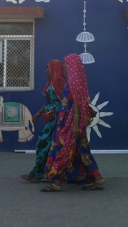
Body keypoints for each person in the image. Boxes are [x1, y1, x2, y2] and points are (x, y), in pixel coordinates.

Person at [43, 54, 105, 192]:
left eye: (66, 63)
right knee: (81, 150)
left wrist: (75, 124)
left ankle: (57, 184)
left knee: (63, 149)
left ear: (72, 65)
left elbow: (77, 102)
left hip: (71, 123)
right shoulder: (78, 80)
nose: (64, 66)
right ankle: (97, 178)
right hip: (72, 122)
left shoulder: (73, 81)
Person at [21, 59, 66, 182]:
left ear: (56, 69)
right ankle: (45, 172)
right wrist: (38, 113)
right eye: (46, 68)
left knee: (44, 143)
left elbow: (65, 103)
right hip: (51, 117)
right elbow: (48, 103)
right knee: (48, 145)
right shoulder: (51, 84)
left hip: (56, 120)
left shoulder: (59, 85)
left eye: (49, 67)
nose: (47, 70)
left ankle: (39, 173)